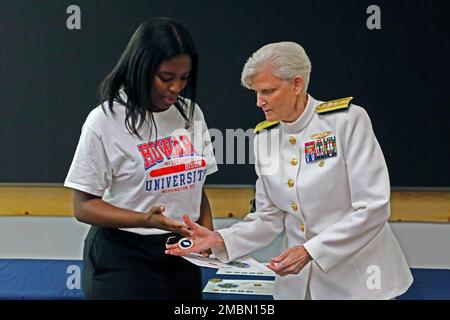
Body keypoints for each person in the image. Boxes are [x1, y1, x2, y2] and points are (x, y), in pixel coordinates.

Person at [166, 42, 413, 300]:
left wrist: (310, 251)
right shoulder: (266, 137)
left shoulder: (346, 121)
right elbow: (269, 217)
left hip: (358, 284)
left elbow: (373, 208)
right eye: (256, 92)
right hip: (296, 286)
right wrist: (220, 239)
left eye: (268, 91)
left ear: (296, 84)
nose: (259, 102)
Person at [64, 18, 218, 299]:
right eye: (166, 77)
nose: (176, 88)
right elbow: (83, 207)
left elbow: (197, 185)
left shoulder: (191, 113)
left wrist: (206, 231)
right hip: (124, 257)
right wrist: (145, 220)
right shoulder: (104, 121)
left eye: (184, 78)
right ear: (141, 69)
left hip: (181, 255)